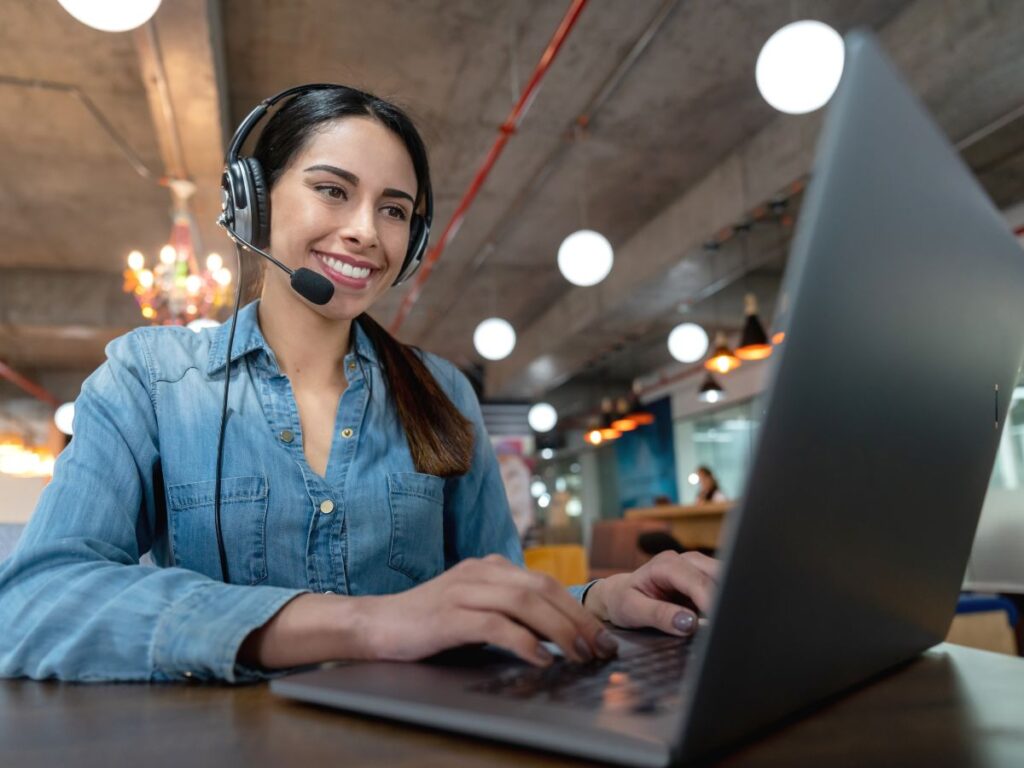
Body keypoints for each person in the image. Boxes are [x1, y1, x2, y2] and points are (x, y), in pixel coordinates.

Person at [0, 85, 718, 684]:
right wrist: (364, 623)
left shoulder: (442, 394)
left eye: (394, 210)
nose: (366, 232)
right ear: (254, 201)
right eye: (332, 191)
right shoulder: (150, 379)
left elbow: (491, 596)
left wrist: (599, 599)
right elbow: (33, 603)